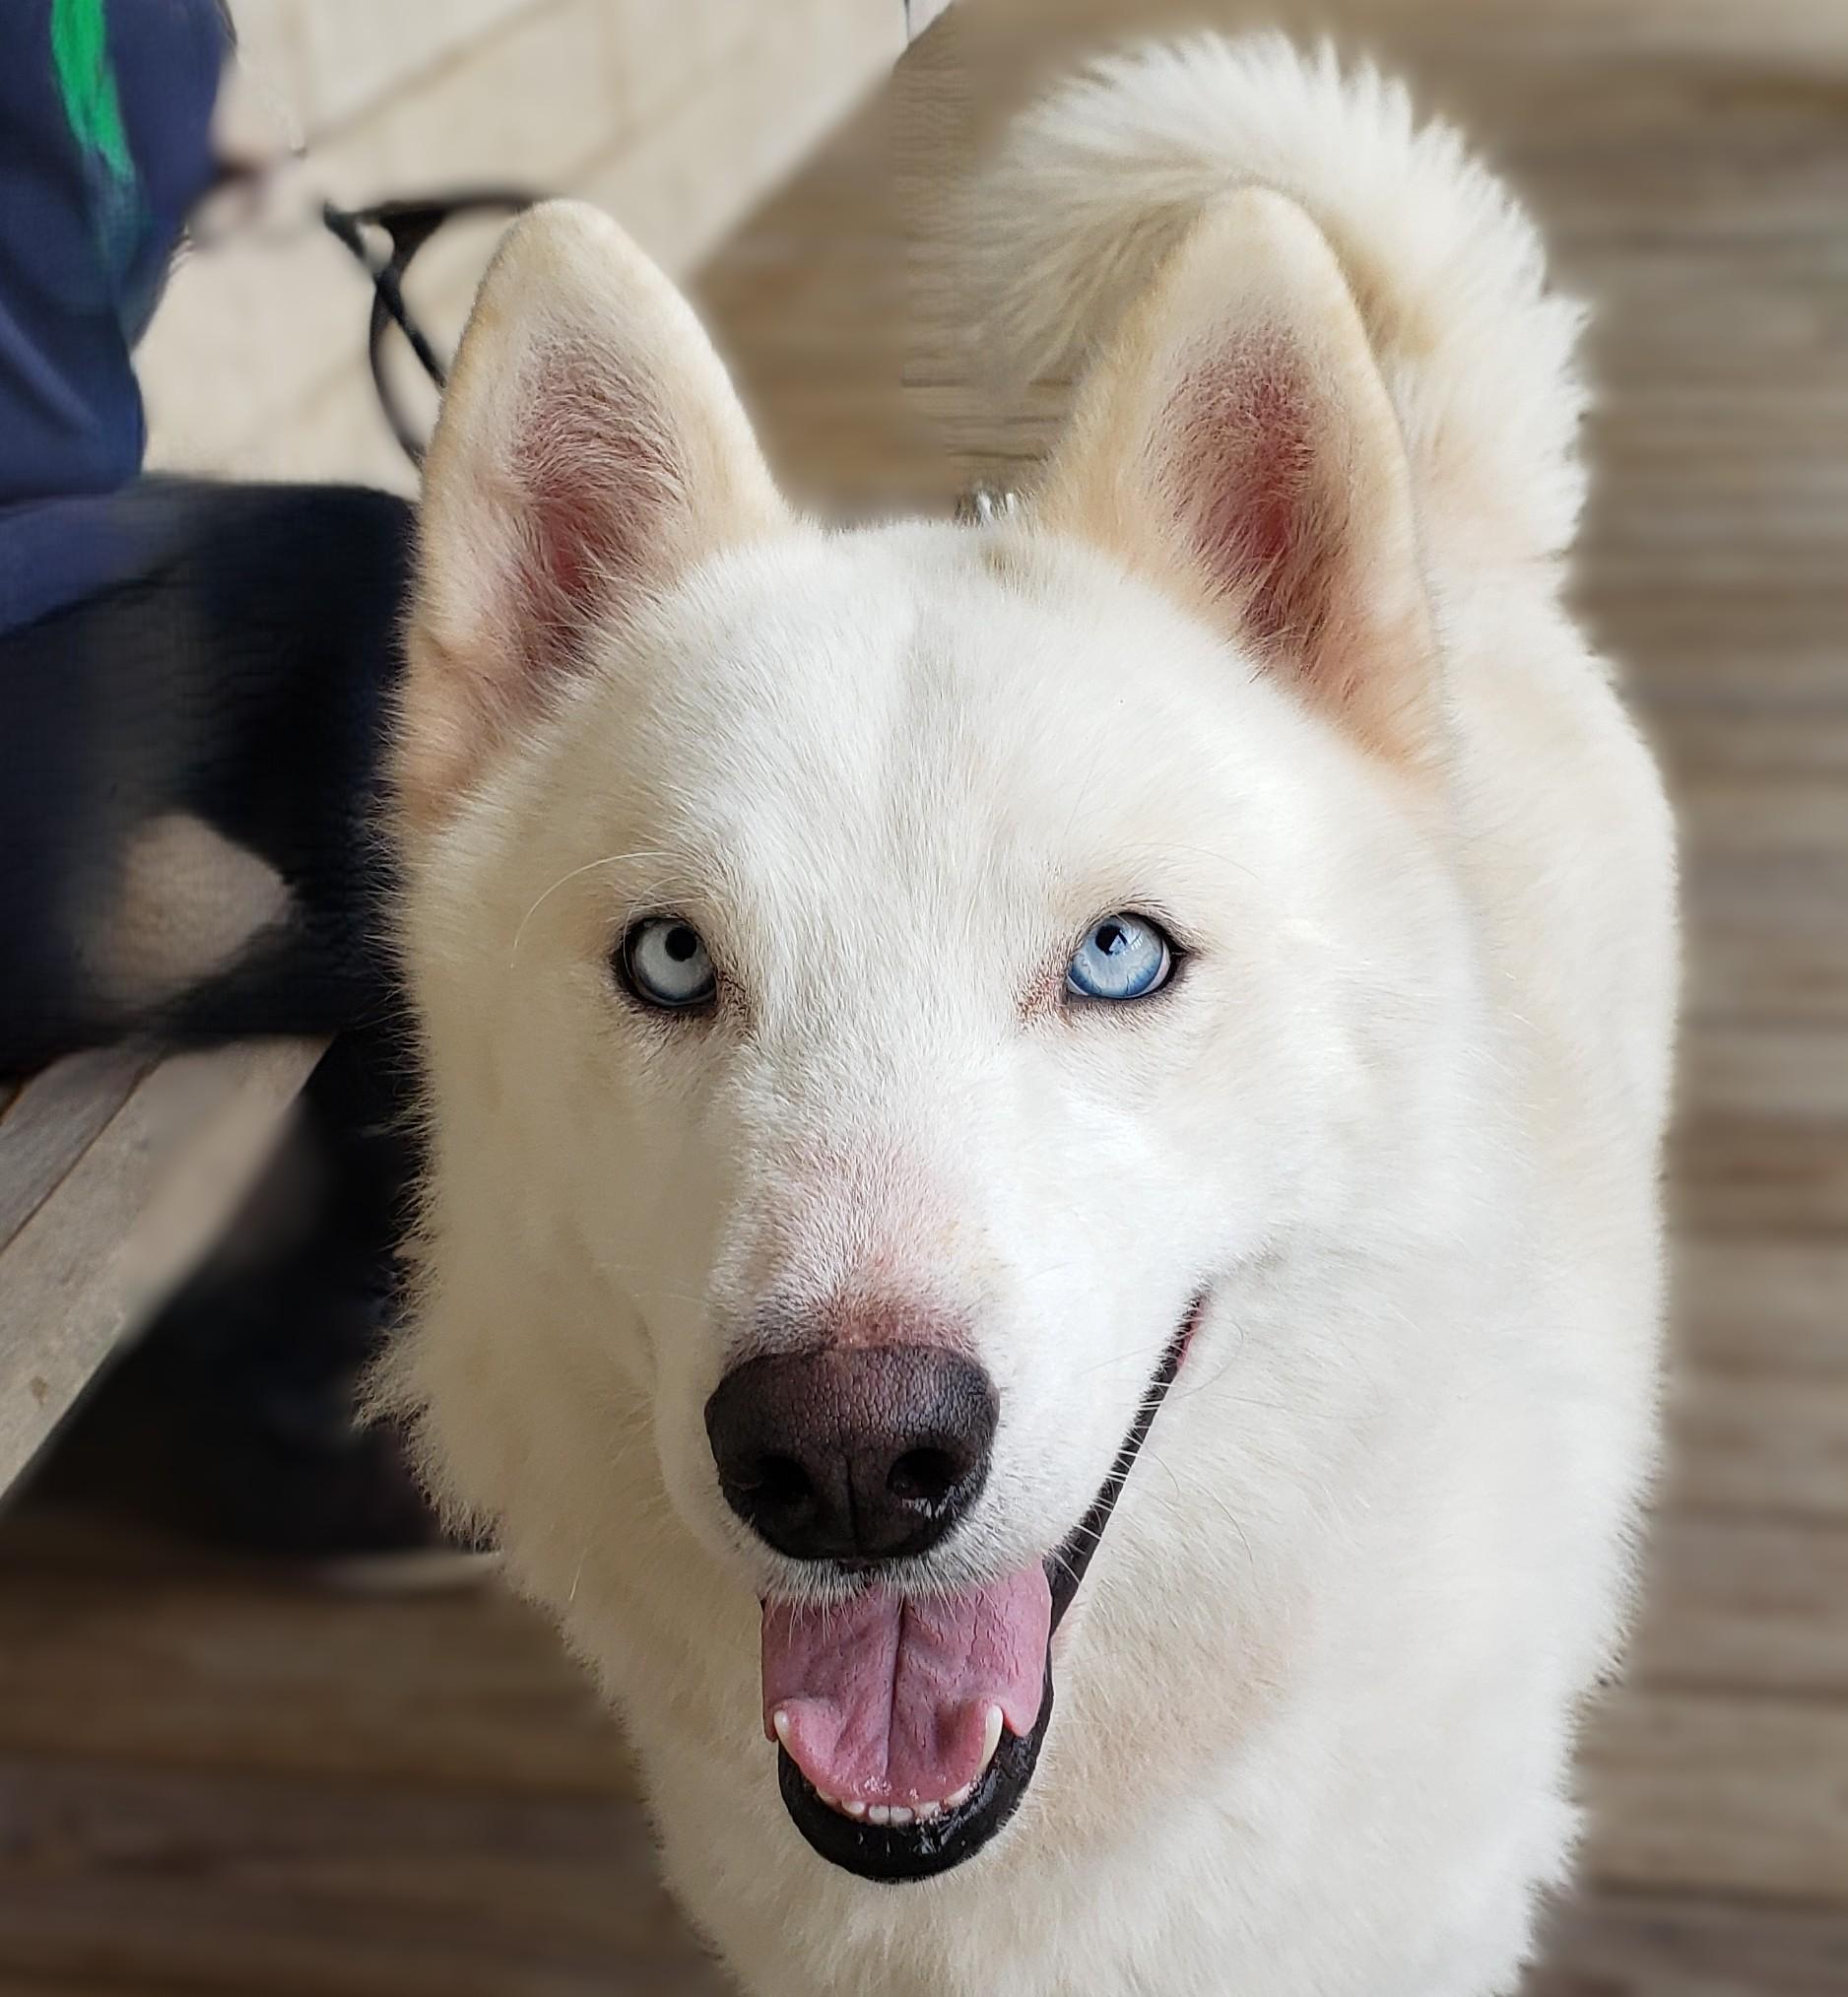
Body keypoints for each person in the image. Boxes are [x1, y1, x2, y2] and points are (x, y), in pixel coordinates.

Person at [0, 0, 470, 1580]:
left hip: (56, 550)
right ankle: (295, 1403)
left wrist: (190, 127)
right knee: (433, 752)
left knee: (399, 625)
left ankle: (283, 1353)